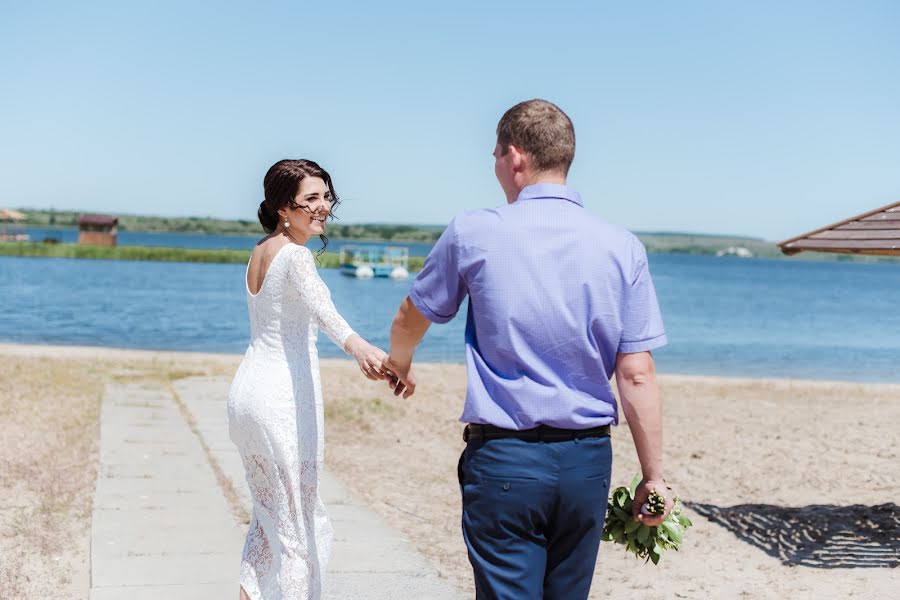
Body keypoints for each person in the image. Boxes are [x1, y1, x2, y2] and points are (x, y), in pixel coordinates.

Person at [383, 99, 675, 599]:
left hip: (504, 458)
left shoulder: (473, 230)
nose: (495, 165)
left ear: (515, 157)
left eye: (495, 154)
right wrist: (654, 476)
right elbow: (637, 374)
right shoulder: (622, 246)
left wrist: (400, 364)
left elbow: (413, 314)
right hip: (586, 462)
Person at [227, 159, 388, 600]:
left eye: (325, 196)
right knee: (300, 533)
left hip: (246, 397)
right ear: (284, 207)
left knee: (267, 519)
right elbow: (325, 312)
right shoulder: (296, 256)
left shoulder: (260, 250)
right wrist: (362, 349)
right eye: (310, 199)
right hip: (281, 400)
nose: (323, 207)